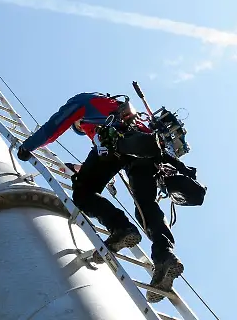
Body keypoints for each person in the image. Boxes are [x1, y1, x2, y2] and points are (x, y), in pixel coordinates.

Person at [15, 92, 185, 298]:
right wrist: (77, 168)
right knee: (146, 206)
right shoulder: (117, 107)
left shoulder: (83, 102)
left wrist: (28, 146)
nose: (81, 128)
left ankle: (122, 229)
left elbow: (55, 125)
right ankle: (165, 257)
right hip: (146, 147)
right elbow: (100, 161)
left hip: (119, 142)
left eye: (78, 126)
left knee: (83, 193)